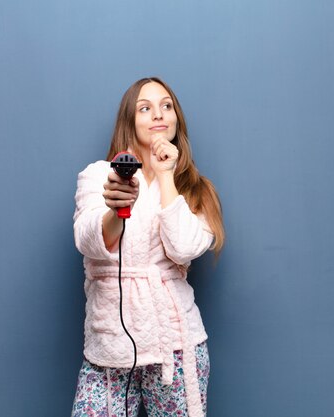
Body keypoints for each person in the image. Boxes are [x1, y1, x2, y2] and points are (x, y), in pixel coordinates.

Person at [71, 77, 225, 417]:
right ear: (130, 120)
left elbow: (183, 248)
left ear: (176, 119)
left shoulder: (195, 190)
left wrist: (167, 174)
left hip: (175, 345)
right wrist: (116, 210)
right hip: (110, 343)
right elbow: (87, 240)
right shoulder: (99, 176)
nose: (158, 114)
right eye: (145, 107)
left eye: (166, 106)